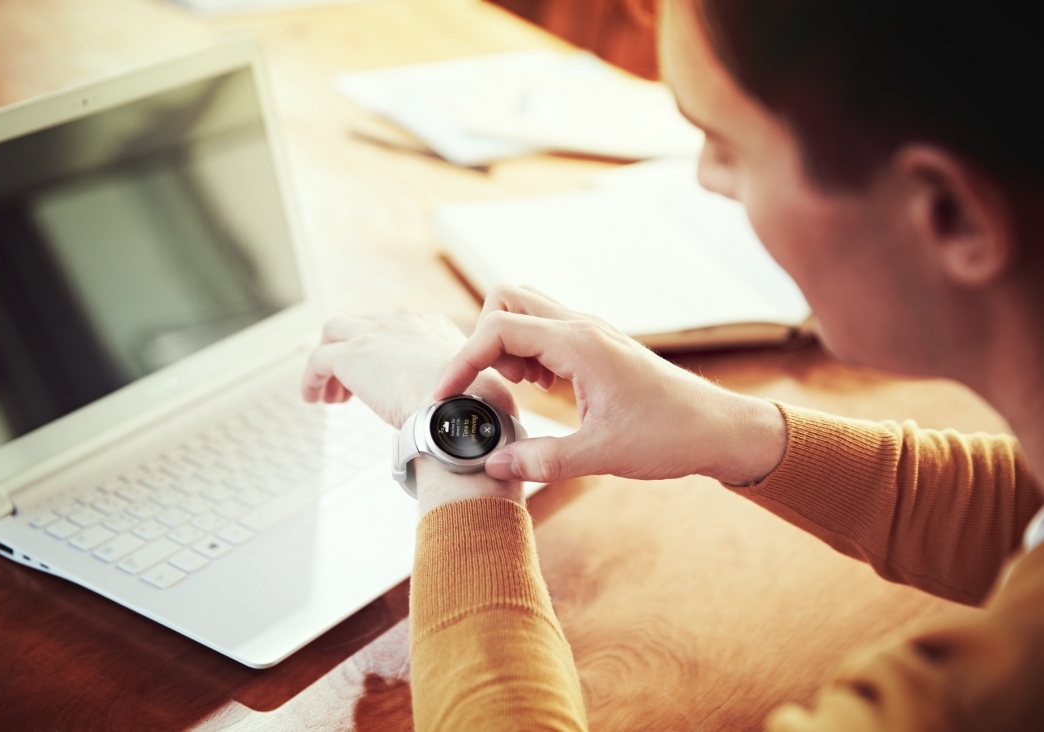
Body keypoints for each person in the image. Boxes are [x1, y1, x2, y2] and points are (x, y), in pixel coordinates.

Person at [301, 1, 1044, 729]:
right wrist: (732, 428)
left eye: (726, 146)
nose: (707, 182)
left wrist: (459, 457)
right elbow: (1024, 515)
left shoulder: (967, 699)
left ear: (951, 213)